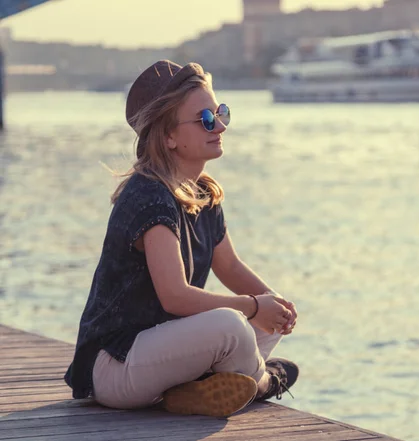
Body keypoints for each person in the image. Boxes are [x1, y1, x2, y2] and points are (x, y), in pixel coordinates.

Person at [63, 60, 299, 417]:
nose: (219, 126)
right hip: (115, 365)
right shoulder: (150, 196)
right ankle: (264, 382)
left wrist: (273, 305)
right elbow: (174, 296)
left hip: (161, 352)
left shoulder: (202, 191)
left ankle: (195, 389)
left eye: (221, 113)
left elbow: (230, 266)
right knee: (232, 325)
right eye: (205, 119)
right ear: (169, 136)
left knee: (267, 311)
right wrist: (253, 307)